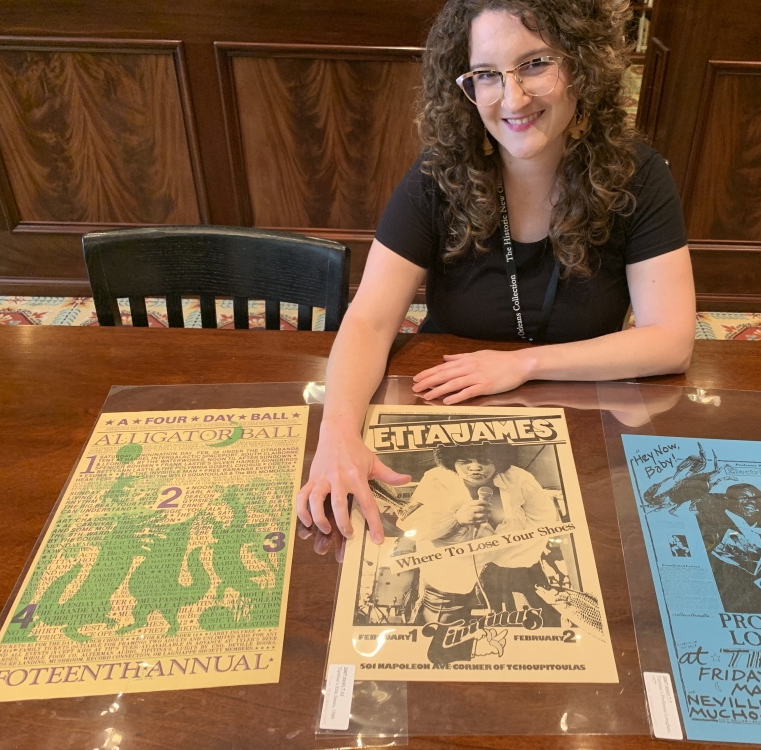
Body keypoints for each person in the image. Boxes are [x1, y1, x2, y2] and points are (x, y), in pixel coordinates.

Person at [297, 0, 695, 544]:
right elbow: (367, 319)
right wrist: (338, 433)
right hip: (442, 412)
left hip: (580, 418)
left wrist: (522, 364)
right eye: (487, 74)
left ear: (580, 64)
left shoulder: (639, 175)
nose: (513, 97)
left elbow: (670, 341)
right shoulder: (438, 173)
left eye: (535, 64)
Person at [398, 442, 560, 624]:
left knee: (521, 626)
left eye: (484, 460)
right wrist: (456, 520)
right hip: (448, 575)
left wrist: (511, 560)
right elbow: (412, 526)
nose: (475, 467)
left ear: (499, 460)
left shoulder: (519, 478)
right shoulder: (435, 479)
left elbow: (543, 519)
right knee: (442, 634)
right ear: (450, 460)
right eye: (465, 461)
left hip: (508, 571)